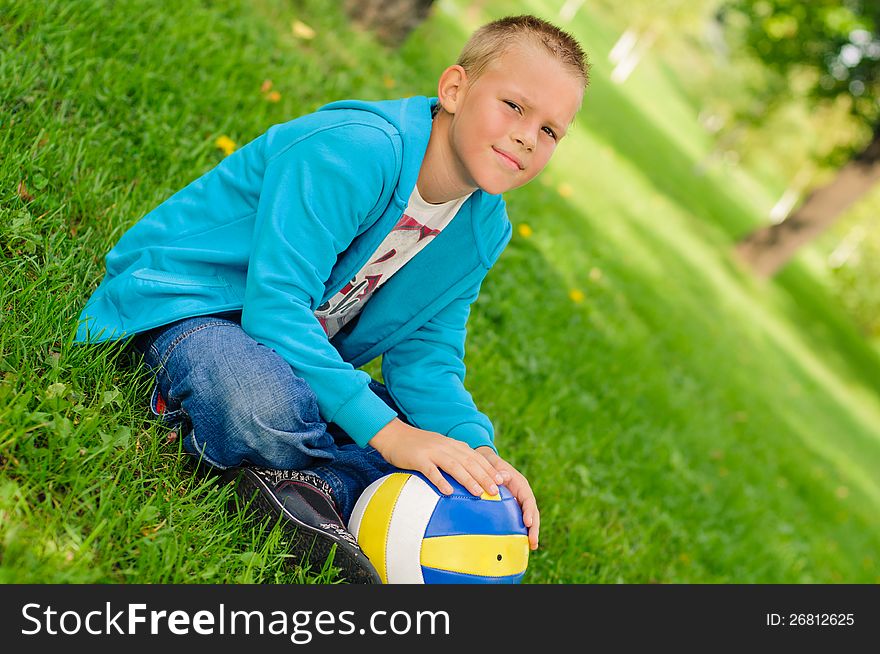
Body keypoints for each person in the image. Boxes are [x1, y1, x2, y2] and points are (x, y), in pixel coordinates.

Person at [75, 14, 588, 583]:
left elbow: (427, 357)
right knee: (261, 402)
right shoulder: (360, 150)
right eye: (514, 106)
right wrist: (391, 438)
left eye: (549, 131)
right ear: (454, 89)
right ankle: (333, 485)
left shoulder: (483, 228)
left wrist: (478, 456)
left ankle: (304, 490)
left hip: (293, 350)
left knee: (435, 456)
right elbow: (274, 307)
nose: (526, 136)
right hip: (199, 308)